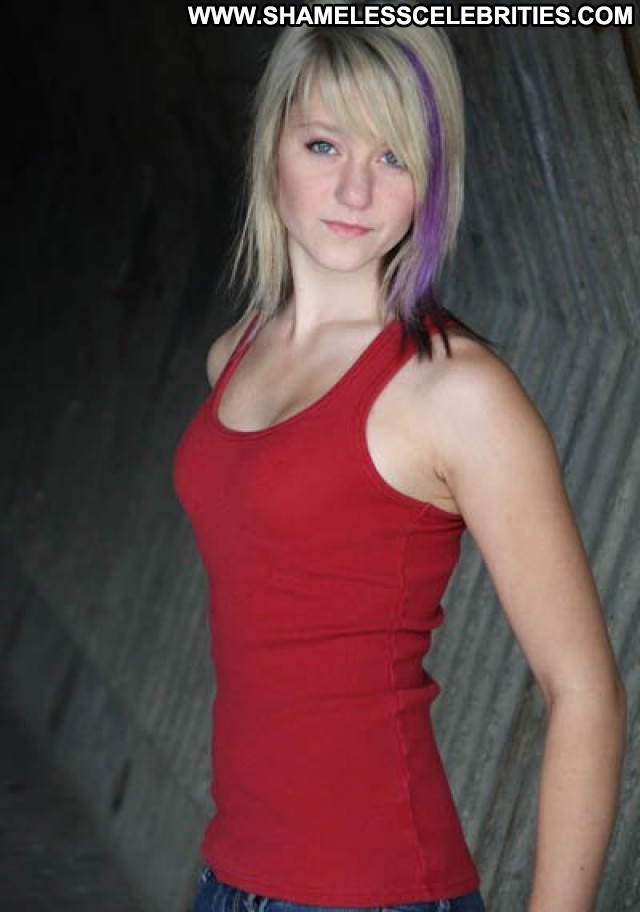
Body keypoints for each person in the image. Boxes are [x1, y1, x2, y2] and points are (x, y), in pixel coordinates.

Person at [173, 18, 626, 912]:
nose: (355, 188)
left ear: (433, 176)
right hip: (226, 877)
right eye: (324, 144)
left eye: (393, 157)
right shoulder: (237, 354)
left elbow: (585, 693)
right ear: (272, 147)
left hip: (374, 892)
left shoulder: (454, 392)